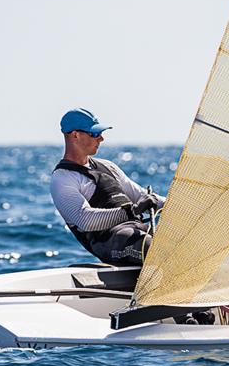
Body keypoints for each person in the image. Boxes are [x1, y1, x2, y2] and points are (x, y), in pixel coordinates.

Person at [50, 107, 164, 265]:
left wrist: (187, 205)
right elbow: (85, 219)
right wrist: (132, 211)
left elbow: (141, 196)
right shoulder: (62, 179)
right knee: (156, 250)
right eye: (95, 134)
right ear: (75, 134)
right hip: (110, 241)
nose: (101, 139)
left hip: (137, 230)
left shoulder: (108, 166)